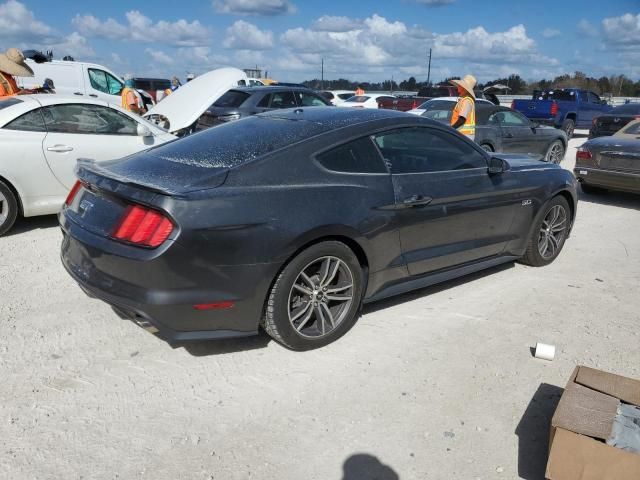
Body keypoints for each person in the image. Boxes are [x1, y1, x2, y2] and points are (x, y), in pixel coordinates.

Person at [449, 74, 477, 140]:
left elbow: (462, 119)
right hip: (463, 134)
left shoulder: (467, 101)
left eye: (460, 85)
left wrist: (451, 129)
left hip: (465, 135)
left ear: (464, 88)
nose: (458, 87)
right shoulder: (464, 100)